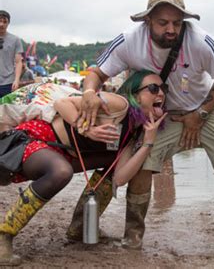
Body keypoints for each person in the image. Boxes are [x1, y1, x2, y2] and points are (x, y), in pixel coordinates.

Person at [73, 0, 214, 248]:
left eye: (176, 22)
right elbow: (97, 72)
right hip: (164, 115)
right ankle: (133, 237)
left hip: (206, 109)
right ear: (147, 20)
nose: (171, 29)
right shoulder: (128, 40)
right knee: (142, 164)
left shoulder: (201, 41)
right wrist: (90, 92)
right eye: (163, 23)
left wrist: (201, 112)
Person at [0, 70, 167, 265]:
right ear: (134, 93)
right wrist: (88, 129)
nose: (161, 94)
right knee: (62, 172)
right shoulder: (118, 104)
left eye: (164, 89)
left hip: (62, 153)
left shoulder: (135, 131)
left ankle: (80, 227)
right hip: (37, 138)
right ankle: (4, 235)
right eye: (153, 89)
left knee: (112, 160)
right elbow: (62, 104)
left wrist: (148, 143)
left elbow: (119, 178)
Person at [0, 11, 23, 98]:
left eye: (4, 22)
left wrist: (16, 80)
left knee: (7, 109)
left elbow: (18, 62)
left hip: (8, 82)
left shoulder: (15, 40)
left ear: (8, 23)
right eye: (0, 21)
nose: (1, 24)